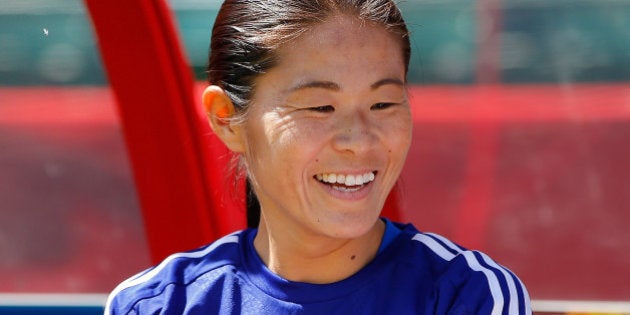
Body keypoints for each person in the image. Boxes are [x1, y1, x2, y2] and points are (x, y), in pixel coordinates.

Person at [105, 0, 531, 314]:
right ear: (227, 120)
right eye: (319, 107)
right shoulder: (156, 303)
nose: (359, 141)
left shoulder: (467, 295)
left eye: (384, 104)